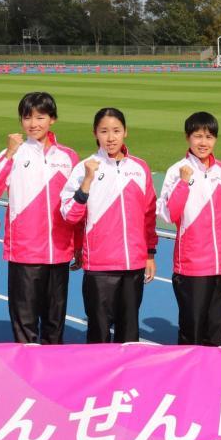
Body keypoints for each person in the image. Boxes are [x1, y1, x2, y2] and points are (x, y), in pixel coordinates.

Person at [0, 92, 81, 344]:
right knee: (25, 324)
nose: (33, 123)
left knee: (54, 323)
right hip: (24, 253)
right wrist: (9, 155)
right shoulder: (12, 154)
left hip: (58, 252)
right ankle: (27, 377)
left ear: (53, 119)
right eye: (27, 117)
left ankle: (51, 377)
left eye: (40, 117)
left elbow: (78, 207)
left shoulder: (68, 157)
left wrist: (78, 246)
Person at [60, 107, 157, 343]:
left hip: (132, 264)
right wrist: (86, 184)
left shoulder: (140, 168)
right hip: (99, 267)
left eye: (116, 131)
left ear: (126, 132)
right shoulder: (85, 168)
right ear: (95, 133)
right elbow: (69, 215)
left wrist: (149, 254)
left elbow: (149, 214)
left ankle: (127, 379)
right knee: (99, 332)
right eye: (104, 131)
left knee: (129, 333)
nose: (110, 137)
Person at [157, 111, 221, 346]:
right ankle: (189, 381)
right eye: (197, 136)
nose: (203, 142)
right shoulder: (177, 171)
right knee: (192, 332)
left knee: (216, 332)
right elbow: (167, 214)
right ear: (188, 138)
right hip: (192, 266)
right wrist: (184, 184)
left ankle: (213, 380)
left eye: (209, 136)